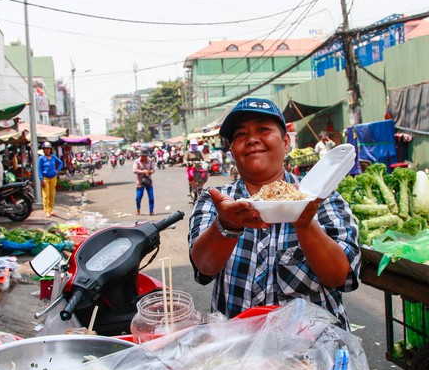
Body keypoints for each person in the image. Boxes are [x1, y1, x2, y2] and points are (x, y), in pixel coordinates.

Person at [188, 98, 360, 330]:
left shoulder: (320, 197)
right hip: (239, 349)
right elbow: (204, 267)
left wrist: (306, 224)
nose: (251, 140)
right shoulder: (216, 200)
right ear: (232, 150)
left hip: (313, 351)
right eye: (240, 135)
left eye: (263, 129)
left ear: (286, 142)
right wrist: (226, 225)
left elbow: (339, 276)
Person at [38, 142, 63, 218]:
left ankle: (51, 209)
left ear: (50, 150)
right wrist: (41, 179)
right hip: (45, 178)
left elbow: (61, 163)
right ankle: (46, 211)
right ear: (44, 150)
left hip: (53, 178)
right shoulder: (41, 158)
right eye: (46, 149)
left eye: (48, 149)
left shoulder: (53, 157)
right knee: (46, 195)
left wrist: (57, 170)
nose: (47, 150)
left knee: (52, 195)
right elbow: (39, 170)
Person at [133, 148, 155, 215]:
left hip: (148, 181)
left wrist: (150, 171)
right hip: (140, 182)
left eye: (145, 156)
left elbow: (153, 169)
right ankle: (138, 209)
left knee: (151, 197)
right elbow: (134, 170)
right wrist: (142, 171)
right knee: (138, 197)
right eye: (143, 156)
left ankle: (151, 211)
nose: (144, 157)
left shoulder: (150, 160)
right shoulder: (137, 161)